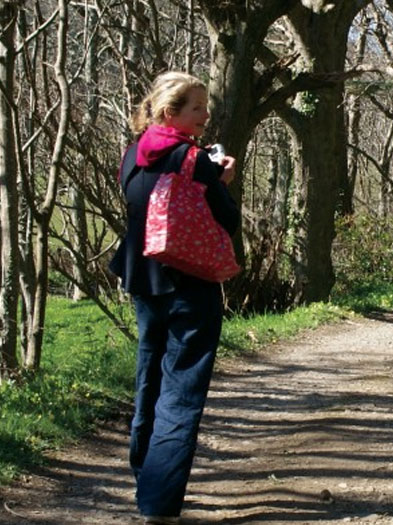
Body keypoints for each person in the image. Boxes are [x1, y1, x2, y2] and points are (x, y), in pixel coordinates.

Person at [109, 72, 240, 525]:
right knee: (181, 391)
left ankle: (145, 477)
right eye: (197, 109)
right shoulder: (194, 159)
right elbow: (229, 220)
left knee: (149, 379)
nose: (206, 116)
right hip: (192, 285)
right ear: (171, 114)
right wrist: (222, 180)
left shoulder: (131, 156)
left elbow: (137, 211)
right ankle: (159, 504)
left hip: (144, 283)